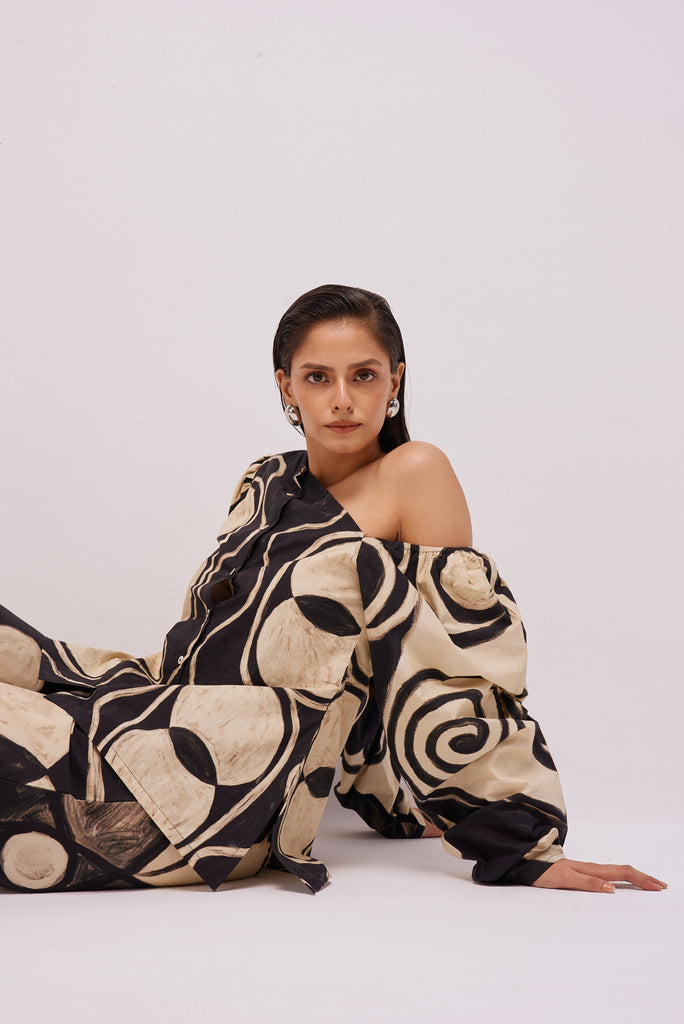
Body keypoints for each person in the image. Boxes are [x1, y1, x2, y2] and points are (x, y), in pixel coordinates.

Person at [0, 284, 666, 895]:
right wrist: (393, 808)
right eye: (318, 377)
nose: (342, 399)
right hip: (151, 703)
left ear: (394, 381)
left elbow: (444, 663)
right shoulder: (266, 479)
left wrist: (516, 845)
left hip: (214, 781)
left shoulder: (414, 473)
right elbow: (218, 639)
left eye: (363, 375)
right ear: (286, 386)